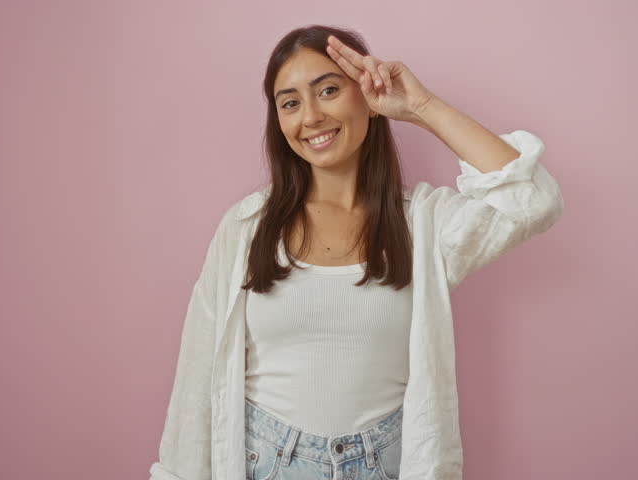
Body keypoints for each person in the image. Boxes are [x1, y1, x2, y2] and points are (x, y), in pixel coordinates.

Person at [149, 24, 564, 480]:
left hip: (386, 462)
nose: (310, 117)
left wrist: (420, 106)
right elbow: (196, 378)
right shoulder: (246, 227)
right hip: (265, 462)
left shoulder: (423, 222)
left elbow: (532, 202)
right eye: (290, 103)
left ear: (368, 96)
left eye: (328, 90)